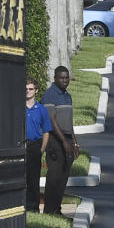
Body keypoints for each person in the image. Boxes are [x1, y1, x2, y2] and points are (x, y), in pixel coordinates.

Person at [42, 66, 78, 216]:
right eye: (61, 78)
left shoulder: (67, 96)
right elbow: (51, 120)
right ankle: (49, 210)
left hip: (67, 139)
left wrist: (74, 143)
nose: (65, 80)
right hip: (55, 141)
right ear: (55, 78)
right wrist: (63, 141)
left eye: (66, 77)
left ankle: (57, 209)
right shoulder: (49, 95)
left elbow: (69, 123)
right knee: (54, 177)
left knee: (63, 177)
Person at [24, 78, 52, 213]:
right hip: (21, 146)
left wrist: (41, 149)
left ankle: (33, 207)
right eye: (26, 89)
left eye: (30, 89)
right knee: (21, 177)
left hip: (35, 146)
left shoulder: (41, 109)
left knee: (33, 178)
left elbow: (46, 131)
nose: (28, 91)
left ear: (36, 91)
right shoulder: (19, 108)